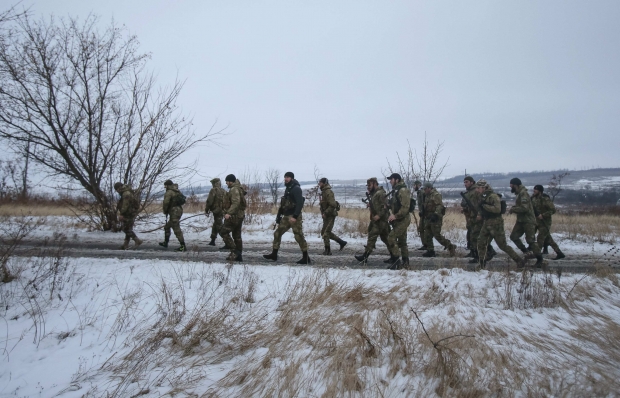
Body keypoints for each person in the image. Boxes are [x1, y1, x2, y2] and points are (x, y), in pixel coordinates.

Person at [476, 179, 525, 269]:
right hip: (487, 223)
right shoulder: (483, 196)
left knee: (502, 245)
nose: (477, 190)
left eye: (478, 188)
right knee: (481, 242)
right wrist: (480, 214)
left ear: (483, 188)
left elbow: (497, 209)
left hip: (496, 224)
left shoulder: (493, 196)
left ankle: (519, 260)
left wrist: (485, 206)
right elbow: (481, 209)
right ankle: (482, 263)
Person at [263, 171, 311, 264]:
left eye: (288, 177)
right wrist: (278, 217)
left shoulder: (296, 189)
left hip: (294, 216)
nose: (286, 179)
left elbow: (300, 203)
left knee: (298, 236)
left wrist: (295, 216)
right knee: (277, 233)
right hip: (286, 216)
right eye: (285, 177)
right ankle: (274, 254)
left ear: (292, 178)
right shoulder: (288, 188)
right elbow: (283, 204)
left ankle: (306, 257)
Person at [355, 177, 392, 264]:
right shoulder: (374, 194)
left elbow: (385, 206)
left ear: (375, 184)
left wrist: (379, 215)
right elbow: (377, 205)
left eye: (369, 185)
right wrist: (370, 205)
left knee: (372, 236)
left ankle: (365, 257)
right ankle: (394, 256)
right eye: (367, 185)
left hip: (380, 220)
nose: (368, 187)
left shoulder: (380, 193)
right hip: (378, 219)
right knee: (386, 238)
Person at [508, 178, 543, 267]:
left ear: (515, 185)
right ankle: (526, 252)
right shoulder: (519, 194)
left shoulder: (523, 194)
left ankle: (540, 259)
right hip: (521, 221)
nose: (510, 186)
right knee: (513, 236)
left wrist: (513, 209)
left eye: (511, 184)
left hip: (528, 221)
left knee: (530, 240)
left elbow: (524, 208)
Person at [421, 182, 456, 257]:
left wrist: (436, 214)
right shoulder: (427, 196)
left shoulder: (436, 195)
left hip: (435, 218)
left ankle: (450, 246)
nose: (424, 190)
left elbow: (439, 206)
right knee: (427, 234)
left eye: (425, 189)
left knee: (436, 235)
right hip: (428, 217)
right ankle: (430, 250)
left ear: (429, 188)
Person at [531, 184, 565, 261]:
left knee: (540, 238)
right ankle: (559, 253)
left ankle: (537, 254)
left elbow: (553, 210)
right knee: (548, 239)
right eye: (534, 190)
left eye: (535, 190)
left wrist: (543, 215)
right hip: (536, 221)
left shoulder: (545, 199)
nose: (534, 191)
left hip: (545, 222)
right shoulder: (533, 198)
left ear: (540, 191)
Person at [385, 173, 411, 269]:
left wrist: (395, 216)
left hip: (403, 219)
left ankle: (396, 262)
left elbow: (405, 207)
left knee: (391, 237)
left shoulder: (403, 190)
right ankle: (405, 262)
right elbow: (395, 204)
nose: (390, 181)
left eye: (391, 179)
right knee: (402, 241)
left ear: (396, 180)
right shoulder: (397, 190)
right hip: (399, 219)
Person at [219, 174, 246, 262]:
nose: (226, 183)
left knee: (223, 232)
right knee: (236, 236)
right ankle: (238, 256)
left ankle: (235, 251)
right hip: (239, 215)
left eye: (227, 181)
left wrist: (228, 213)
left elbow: (236, 203)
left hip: (234, 216)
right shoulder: (238, 188)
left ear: (231, 181)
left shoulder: (234, 190)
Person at [318, 178, 347, 255]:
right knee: (324, 232)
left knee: (326, 233)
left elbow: (333, 205)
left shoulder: (328, 192)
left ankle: (328, 251)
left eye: (320, 183)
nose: (319, 184)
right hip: (326, 215)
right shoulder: (323, 192)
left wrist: (326, 213)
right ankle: (341, 242)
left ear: (324, 183)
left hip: (330, 215)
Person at [114, 182, 143, 250]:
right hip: (130, 212)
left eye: (117, 189)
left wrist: (122, 214)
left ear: (119, 188)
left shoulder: (126, 193)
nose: (117, 191)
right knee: (128, 228)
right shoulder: (126, 192)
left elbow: (125, 205)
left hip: (128, 213)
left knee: (126, 229)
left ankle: (137, 240)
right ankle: (125, 245)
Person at [159, 179, 186, 252]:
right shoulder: (177, 190)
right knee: (167, 227)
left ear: (167, 186)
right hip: (178, 210)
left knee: (176, 228)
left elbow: (166, 203)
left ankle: (183, 246)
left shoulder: (169, 192)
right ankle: (165, 242)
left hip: (174, 212)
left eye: (165, 186)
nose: (165, 187)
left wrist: (165, 211)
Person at [205, 177, 225, 246]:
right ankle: (213, 240)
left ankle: (228, 242)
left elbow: (209, 201)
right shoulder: (223, 190)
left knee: (219, 226)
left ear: (214, 183)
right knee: (216, 225)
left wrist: (206, 209)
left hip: (216, 211)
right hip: (222, 211)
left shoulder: (213, 190)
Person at [413, 180, 427, 251]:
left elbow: (424, 203)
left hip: (424, 214)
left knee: (422, 229)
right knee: (421, 229)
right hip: (423, 213)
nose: (413, 187)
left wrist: (423, 211)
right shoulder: (420, 192)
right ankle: (425, 244)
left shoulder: (421, 192)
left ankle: (426, 244)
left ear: (418, 185)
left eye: (414, 185)